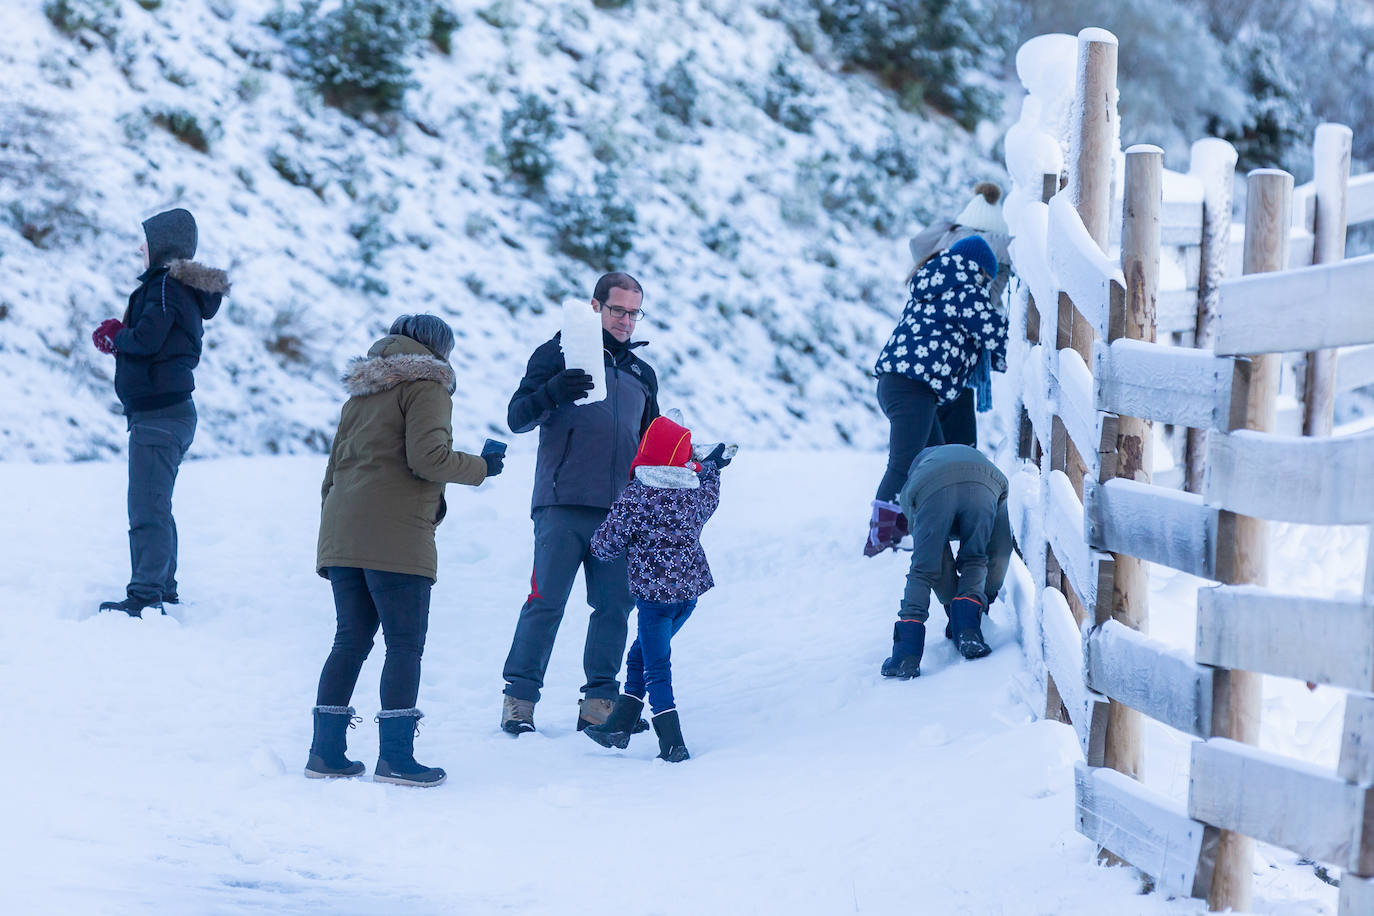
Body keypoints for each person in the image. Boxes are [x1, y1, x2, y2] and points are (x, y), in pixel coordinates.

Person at [308, 314, 504, 787]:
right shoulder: (427, 385)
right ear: (440, 352)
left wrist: (337, 527)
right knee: (404, 644)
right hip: (394, 532)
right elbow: (427, 458)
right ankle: (396, 758)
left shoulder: (362, 390)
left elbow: (333, 469)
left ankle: (325, 753)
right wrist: (483, 467)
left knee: (350, 640)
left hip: (342, 529)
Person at [499, 272, 660, 736]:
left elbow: (651, 442)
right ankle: (519, 703)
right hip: (561, 502)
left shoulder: (641, 373)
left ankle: (599, 707)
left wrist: (689, 461)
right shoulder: (556, 353)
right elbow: (517, 418)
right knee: (545, 602)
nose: (627, 321)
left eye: (634, 312)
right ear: (595, 308)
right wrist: (553, 391)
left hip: (619, 512)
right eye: (618, 311)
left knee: (614, 608)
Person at [92, 208, 229, 617]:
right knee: (155, 502)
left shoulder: (166, 284)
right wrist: (122, 336)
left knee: (146, 508)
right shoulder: (174, 287)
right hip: (167, 414)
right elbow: (157, 336)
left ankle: (146, 595)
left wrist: (116, 336)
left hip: (161, 417)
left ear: (162, 247)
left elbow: (149, 339)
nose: (140, 248)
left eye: (145, 242)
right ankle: (161, 587)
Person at [583, 417, 730, 763]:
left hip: (654, 602)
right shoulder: (694, 494)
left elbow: (605, 547)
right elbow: (712, 488)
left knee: (656, 666)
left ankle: (672, 743)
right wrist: (712, 466)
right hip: (687, 598)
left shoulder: (636, 497)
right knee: (642, 655)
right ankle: (618, 727)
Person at [866, 236, 1007, 557]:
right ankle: (881, 536)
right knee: (904, 463)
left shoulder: (934, 283)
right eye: (988, 279)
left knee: (934, 459)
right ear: (982, 271)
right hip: (913, 387)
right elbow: (998, 334)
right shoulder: (966, 291)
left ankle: (920, 526)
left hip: (900, 383)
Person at [881, 444, 1009, 679]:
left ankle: (905, 654)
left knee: (922, 569)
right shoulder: (994, 480)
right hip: (986, 481)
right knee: (976, 556)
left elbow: (935, 563)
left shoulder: (913, 485)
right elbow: (1000, 550)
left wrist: (950, 603)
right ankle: (969, 631)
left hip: (929, 486)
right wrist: (976, 604)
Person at [906, 181, 1012, 450]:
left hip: (926, 366)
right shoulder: (968, 264)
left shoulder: (939, 259)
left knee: (932, 452)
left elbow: (917, 242)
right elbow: (1011, 249)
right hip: (948, 365)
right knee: (958, 449)